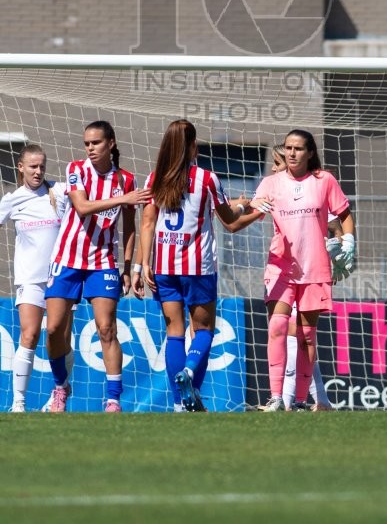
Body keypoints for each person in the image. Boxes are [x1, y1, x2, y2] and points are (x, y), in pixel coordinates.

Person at [133, 119, 256, 412]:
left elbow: (148, 223)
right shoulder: (207, 179)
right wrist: (252, 209)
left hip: (163, 266)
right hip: (197, 267)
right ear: (190, 146)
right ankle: (189, 374)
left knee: (174, 331)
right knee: (203, 330)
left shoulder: (155, 178)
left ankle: (181, 403)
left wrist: (142, 265)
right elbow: (230, 222)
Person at [44, 120, 151, 412]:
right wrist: (123, 198)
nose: (90, 148)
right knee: (53, 329)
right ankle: (60, 387)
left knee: (106, 328)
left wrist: (127, 267)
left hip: (103, 262)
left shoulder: (126, 180)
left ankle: (114, 400)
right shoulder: (76, 169)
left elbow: (130, 225)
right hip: (66, 259)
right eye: (87, 143)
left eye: (96, 143)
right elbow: (82, 207)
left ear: (111, 144)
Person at [253, 130, 355, 412]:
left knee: (307, 335)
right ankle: (276, 398)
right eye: (288, 148)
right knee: (277, 326)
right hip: (281, 266)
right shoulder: (271, 183)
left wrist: (348, 243)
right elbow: (251, 212)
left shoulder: (324, 181)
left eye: (298, 148)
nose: (291, 153)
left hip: (314, 269)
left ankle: (299, 400)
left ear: (310, 152)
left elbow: (343, 215)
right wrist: (241, 207)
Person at [0, 145, 69, 412]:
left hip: (61, 279)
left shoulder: (59, 192)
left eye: (42, 166)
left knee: (60, 340)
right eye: (32, 167)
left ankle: (60, 389)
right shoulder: (12, 199)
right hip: (29, 279)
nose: (38, 171)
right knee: (28, 335)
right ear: (20, 167)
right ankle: (18, 403)